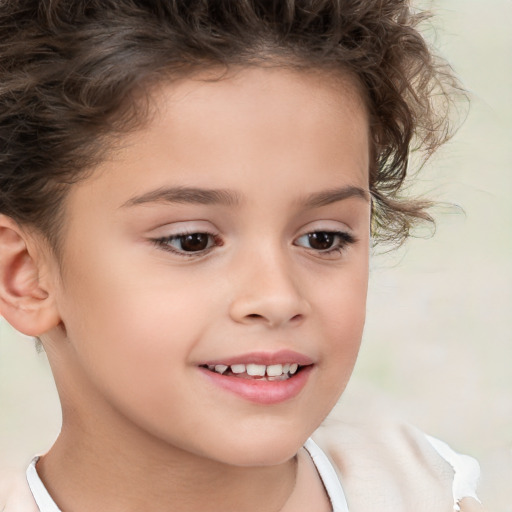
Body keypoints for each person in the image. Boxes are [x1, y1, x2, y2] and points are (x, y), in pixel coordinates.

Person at [0, 1, 485, 511]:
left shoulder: (423, 489)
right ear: (26, 275)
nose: (277, 298)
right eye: (192, 240)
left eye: (322, 238)